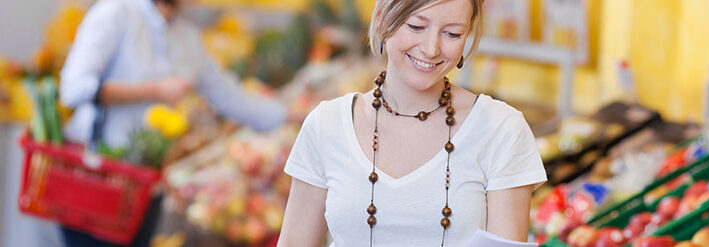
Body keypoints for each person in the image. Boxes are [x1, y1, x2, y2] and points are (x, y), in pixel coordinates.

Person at [278, 0, 547, 246]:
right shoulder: (327, 124)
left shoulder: (502, 130)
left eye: (452, 33)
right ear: (383, 20)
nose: (431, 49)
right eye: (416, 26)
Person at [58, 0, 286, 246]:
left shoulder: (187, 38)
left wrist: (295, 115)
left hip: (146, 189)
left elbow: (232, 98)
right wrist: (155, 90)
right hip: (96, 180)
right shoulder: (117, 12)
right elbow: (73, 89)